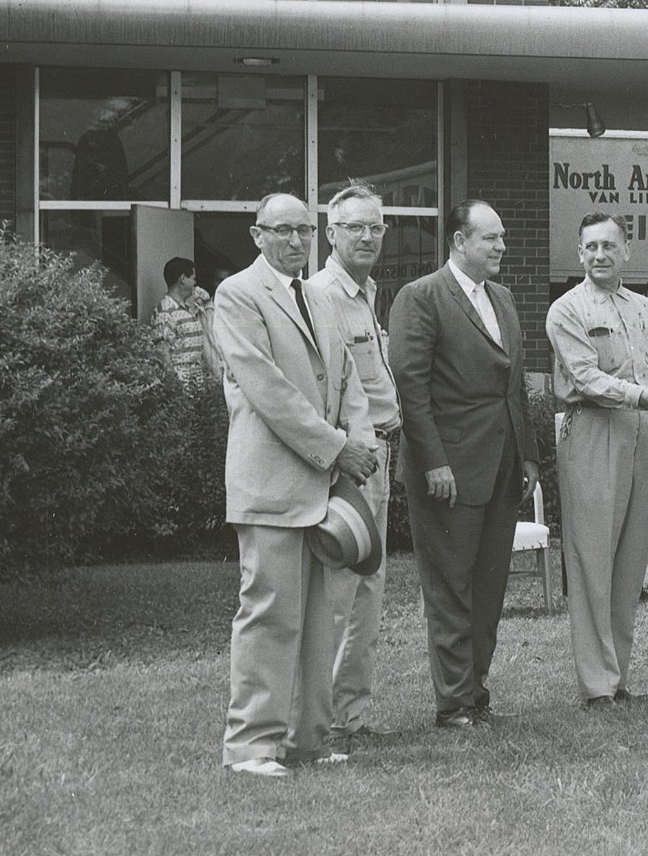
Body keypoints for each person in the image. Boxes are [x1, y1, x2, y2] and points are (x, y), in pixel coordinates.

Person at [213, 192, 377, 777]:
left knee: (316, 621)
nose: (294, 241)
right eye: (280, 230)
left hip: (324, 484)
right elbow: (269, 390)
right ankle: (252, 746)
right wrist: (338, 448)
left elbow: (349, 380)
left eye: (304, 230)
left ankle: (307, 739)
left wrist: (362, 441)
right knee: (269, 614)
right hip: (272, 484)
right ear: (257, 235)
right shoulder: (237, 295)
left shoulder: (318, 297)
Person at [387, 199, 537, 729]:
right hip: (448, 470)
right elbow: (411, 387)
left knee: (489, 586)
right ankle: (453, 704)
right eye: (490, 238)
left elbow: (513, 385)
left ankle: (475, 695)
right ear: (458, 241)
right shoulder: (420, 297)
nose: (501, 247)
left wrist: (529, 455)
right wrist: (433, 462)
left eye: (501, 238)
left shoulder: (503, 297)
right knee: (451, 588)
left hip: (501, 465)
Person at [545, 212, 648, 707]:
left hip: (645, 432)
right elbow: (587, 379)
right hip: (592, 428)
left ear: (626, 250)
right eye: (591, 247)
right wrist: (646, 399)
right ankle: (596, 685)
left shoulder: (645, 311)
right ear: (579, 253)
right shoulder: (566, 310)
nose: (600, 255)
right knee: (592, 557)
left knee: (630, 559)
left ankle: (618, 676)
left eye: (609, 245)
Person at [311, 185, 401, 752]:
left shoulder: (365, 292)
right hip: (349, 463)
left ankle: (350, 717)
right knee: (337, 592)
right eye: (355, 228)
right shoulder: (321, 295)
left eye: (376, 227)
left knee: (368, 588)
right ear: (332, 233)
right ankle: (320, 720)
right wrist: (347, 454)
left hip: (382, 455)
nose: (367, 237)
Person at [153, 257, 214, 386]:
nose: (195, 283)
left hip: (195, 384)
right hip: (182, 386)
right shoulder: (165, 311)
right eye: (193, 278)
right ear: (183, 279)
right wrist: (175, 385)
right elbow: (162, 351)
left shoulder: (187, 309)